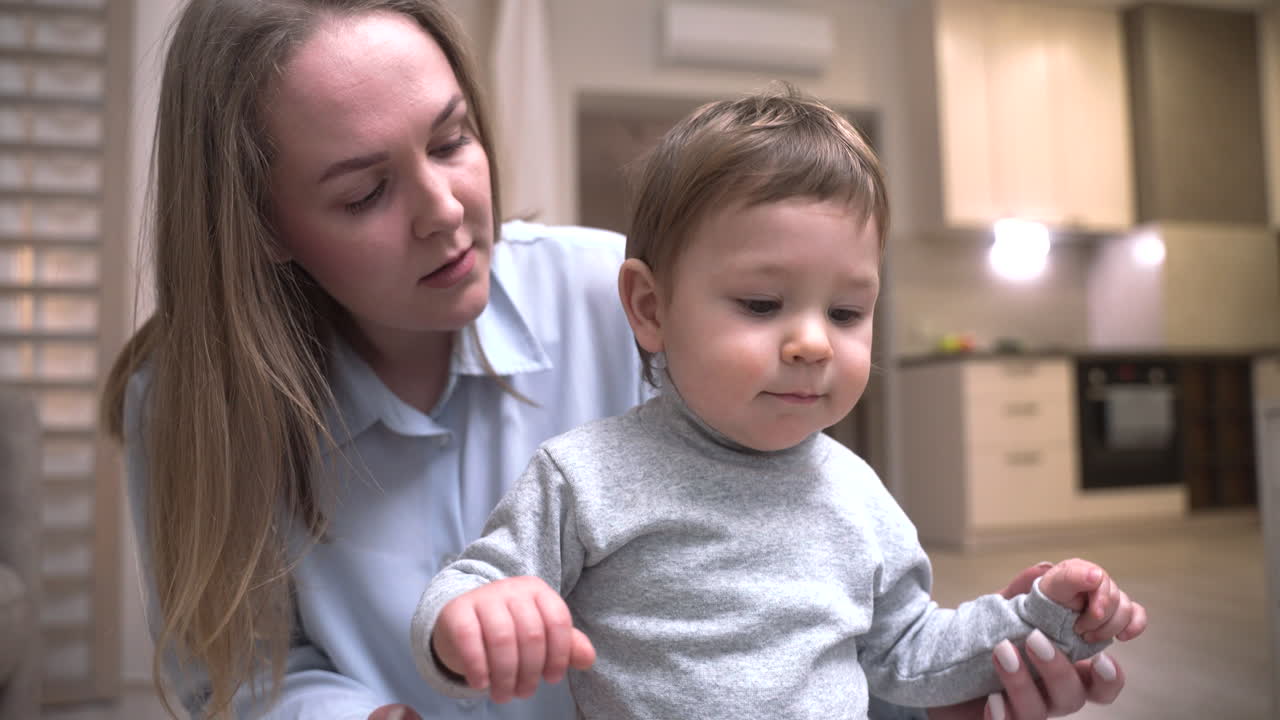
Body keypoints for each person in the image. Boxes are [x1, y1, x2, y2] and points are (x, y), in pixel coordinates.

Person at [101, 1, 1138, 719]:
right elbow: (235, 681)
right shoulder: (190, 402)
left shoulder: (624, 298)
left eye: (454, 139)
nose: (446, 210)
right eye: (363, 192)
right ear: (263, 223)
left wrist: (992, 648)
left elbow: (816, 599)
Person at [409, 88, 1145, 719]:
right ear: (650, 308)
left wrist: (1039, 616)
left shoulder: (859, 497)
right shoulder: (584, 476)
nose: (813, 344)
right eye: (763, 304)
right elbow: (469, 583)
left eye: (848, 313)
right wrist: (468, 619)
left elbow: (907, 653)